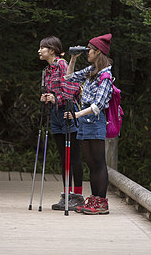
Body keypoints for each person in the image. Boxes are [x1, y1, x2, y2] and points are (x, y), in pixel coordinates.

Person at [64, 33, 113, 215]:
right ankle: (94, 199)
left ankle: (101, 202)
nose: (87, 52)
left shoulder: (105, 76)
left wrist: (76, 114)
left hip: (95, 120)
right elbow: (69, 77)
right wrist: (73, 59)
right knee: (91, 163)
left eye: (90, 50)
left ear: (98, 52)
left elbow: (98, 105)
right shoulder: (91, 70)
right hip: (84, 121)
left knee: (99, 162)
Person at [38, 36, 84, 211]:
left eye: (42, 48)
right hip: (56, 114)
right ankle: (66, 195)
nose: (39, 51)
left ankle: (77, 196)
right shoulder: (48, 70)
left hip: (69, 113)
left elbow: (72, 89)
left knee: (74, 156)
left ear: (52, 50)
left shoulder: (62, 65)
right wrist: (46, 97)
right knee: (63, 157)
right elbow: (51, 90)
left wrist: (56, 97)